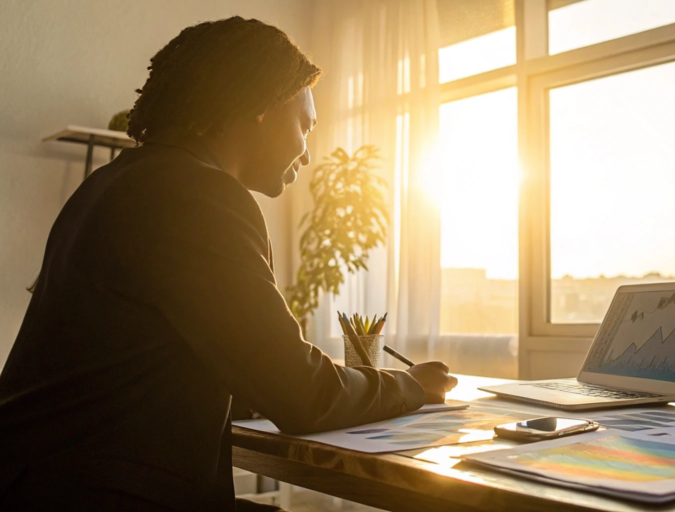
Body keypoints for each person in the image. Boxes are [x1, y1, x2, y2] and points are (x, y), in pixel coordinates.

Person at [0, 17, 456, 511]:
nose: (306, 153)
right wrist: (409, 386)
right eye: (306, 125)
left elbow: (162, 364)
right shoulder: (200, 195)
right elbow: (304, 397)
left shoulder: (114, 183)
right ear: (263, 105)